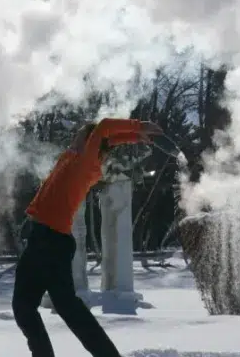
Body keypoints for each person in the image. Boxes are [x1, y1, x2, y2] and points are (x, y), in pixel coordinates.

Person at [13, 117, 163, 357]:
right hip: (46, 239)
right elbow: (108, 139)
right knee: (50, 308)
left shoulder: (86, 163)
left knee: (37, 308)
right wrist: (132, 137)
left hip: (49, 242)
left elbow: (104, 128)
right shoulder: (72, 158)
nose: (75, 137)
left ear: (90, 143)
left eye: (81, 135)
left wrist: (140, 126)